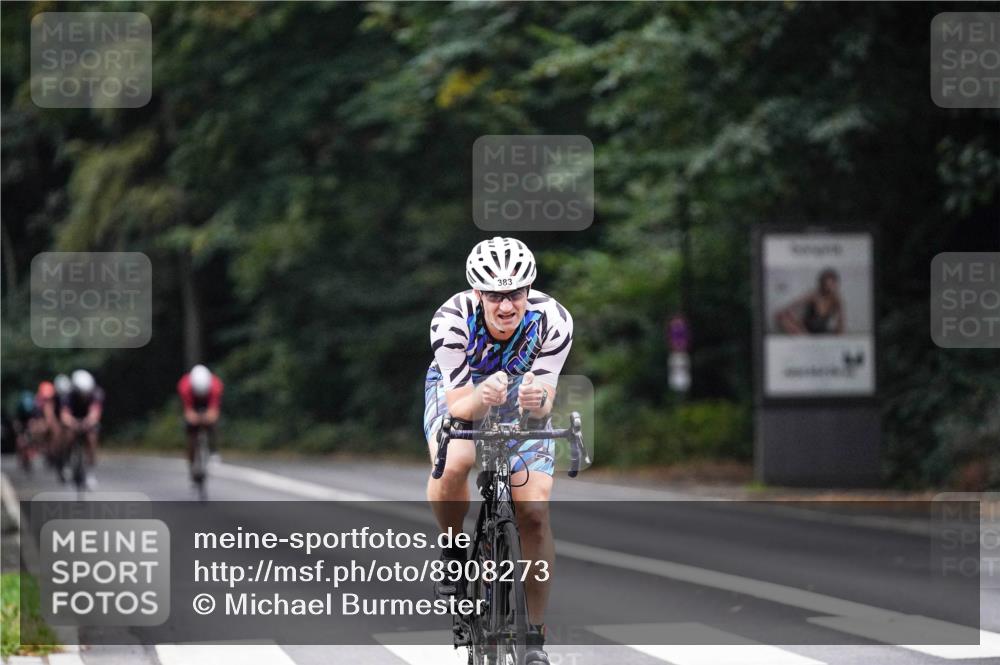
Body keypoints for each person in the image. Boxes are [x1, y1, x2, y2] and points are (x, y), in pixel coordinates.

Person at [424, 236, 573, 665]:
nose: (506, 306)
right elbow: (458, 407)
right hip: (462, 390)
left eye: (515, 294)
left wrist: (535, 400)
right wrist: (481, 395)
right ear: (477, 294)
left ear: (529, 291)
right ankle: (453, 551)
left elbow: (546, 396)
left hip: (519, 394)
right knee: (457, 461)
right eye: (494, 295)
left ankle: (534, 638)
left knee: (534, 510)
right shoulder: (451, 321)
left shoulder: (553, 320)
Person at [59, 370, 104, 489]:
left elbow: (95, 412)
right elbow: (64, 415)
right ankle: (67, 464)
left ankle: (90, 472)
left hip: (87, 420)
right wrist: (72, 423)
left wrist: (87, 423)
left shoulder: (96, 393)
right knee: (68, 435)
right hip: (73, 419)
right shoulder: (68, 394)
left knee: (92, 438)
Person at [177, 364, 224, 475]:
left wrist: (209, 417)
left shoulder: (216, 386)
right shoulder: (184, 386)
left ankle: (213, 451)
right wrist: (192, 417)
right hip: (192, 402)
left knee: (212, 424)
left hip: (208, 401)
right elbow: (188, 410)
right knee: (190, 428)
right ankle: (191, 460)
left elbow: (214, 410)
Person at [775, 267, 845, 335]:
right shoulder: (813, 295)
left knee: (839, 330)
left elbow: (841, 322)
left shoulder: (836, 299)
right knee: (781, 316)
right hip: (805, 331)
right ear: (821, 284)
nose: (828, 287)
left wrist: (839, 333)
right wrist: (796, 321)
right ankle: (805, 338)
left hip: (822, 333)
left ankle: (810, 339)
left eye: (832, 284)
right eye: (826, 284)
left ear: (835, 285)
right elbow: (792, 306)